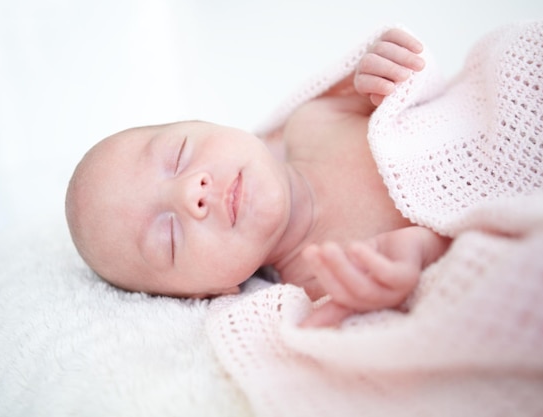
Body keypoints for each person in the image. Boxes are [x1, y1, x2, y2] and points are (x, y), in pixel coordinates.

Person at [65, 28, 452, 327]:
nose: (190, 194)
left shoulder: (314, 122)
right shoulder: (319, 282)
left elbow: (416, 90)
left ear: (211, 123)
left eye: (180, 155)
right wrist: (415, 259)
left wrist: (385, 69)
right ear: (211, 292)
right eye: (169, 237)